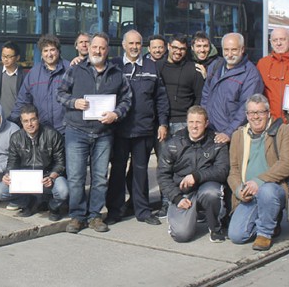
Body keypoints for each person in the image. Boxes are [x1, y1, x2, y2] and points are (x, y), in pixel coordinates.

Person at [57, 32, 132, 234]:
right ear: (88, 48)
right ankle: (77, 216)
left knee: (100, 177)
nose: (98, 51)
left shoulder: (117, 74)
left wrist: (116, 114)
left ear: (107, 50)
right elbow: (60, 94)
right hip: (76, 131)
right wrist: (74, 103)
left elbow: (127, 100)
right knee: (76, 177)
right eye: (95, 47)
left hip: (104, 133)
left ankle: (95, 216)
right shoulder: (75, 70)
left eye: (102, 48)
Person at [106, 30, 169, 226]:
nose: (134, 47)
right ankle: (114, 211)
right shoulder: (115, 65)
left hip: (144, 129)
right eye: (131, 43)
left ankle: (142, 211)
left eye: (138, 43)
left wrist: (163, 123)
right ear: (123, 45)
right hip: (119, 129)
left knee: (140, 172)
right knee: (117, 171)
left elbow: (160, 98)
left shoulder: (151, 66)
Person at [227, 94, 289, 251]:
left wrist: (258, 181)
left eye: (260, 112)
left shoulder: (283, 131)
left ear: (268, 113)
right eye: (251, 113)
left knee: (267, 191)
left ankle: (265, 233)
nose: (255, 117)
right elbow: (234, 170)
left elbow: (288, 163)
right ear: (246, 115)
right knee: (237, 236)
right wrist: (239, 190)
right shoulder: (238, 136)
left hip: (274, 189)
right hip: (248, 193)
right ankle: (271, 221)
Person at [157, 106, 229, 243]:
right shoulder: (173, 143)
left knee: (212, 192)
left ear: (206, 123)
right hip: (183, 192)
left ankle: (215, 227)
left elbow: (222, 170)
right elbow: (162, 175)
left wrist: (197, 176)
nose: (194, 126)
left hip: (206, 188)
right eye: (191, 122)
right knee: (181, 236)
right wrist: (177, 198)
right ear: (186, 122)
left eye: (198, 122)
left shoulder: (217, 142)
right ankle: (181, 217)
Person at [157, 34, 205, 218]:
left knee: (185, 164)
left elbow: (199, 98)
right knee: (164, 165)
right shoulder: (158, 66)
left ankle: (187, 201)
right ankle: (165, 202)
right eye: (175, 48)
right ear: (169, 46)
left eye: (182, 49)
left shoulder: (193, 69)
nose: (178, 52)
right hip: (162, 123)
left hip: (184, 122)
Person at [0, 104, 68, 220]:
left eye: (33, 120)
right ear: (21, 122)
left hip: (47, 176)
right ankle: (28, 202)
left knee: (63, 190)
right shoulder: (16, 138)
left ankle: (53, 207)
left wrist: (52, 177)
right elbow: (12, 163)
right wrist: (7, 175)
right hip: (26, 179)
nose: (30, 124)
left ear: (38, 119)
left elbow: (61, 163)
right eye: (26, 121)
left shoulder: (52, 135)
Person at [256, 27, 289, 174]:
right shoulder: (262, 64)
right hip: (271, 130)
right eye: (275, 40)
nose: (278, 43)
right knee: (273, 173)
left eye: (282, 39)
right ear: (270, 42)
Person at [201, 33, 264, 144]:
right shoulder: (215, 66)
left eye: (234, 50)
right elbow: (206, 95)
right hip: (209, 131)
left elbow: (246, 108)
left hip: (232, 136)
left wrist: (229, 132)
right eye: (226, 50)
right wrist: (204, 122)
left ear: (242, 49)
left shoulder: (250, 74)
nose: (229, 54)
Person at [10, 34, 70, 135]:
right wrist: (11, 122)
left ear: (58, 51)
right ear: (41, 53)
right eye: (45, 51)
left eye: (52, 50)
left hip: (67, 131)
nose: (49, 54)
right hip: (42, 132)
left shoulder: (70, 69)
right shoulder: (33, 73)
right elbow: (23, 101)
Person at [0, 41, 24, 118]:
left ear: (17, 57)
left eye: (9, 57)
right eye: (3, 56)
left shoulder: (24, 76)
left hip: (18, 119)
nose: (5, 59)